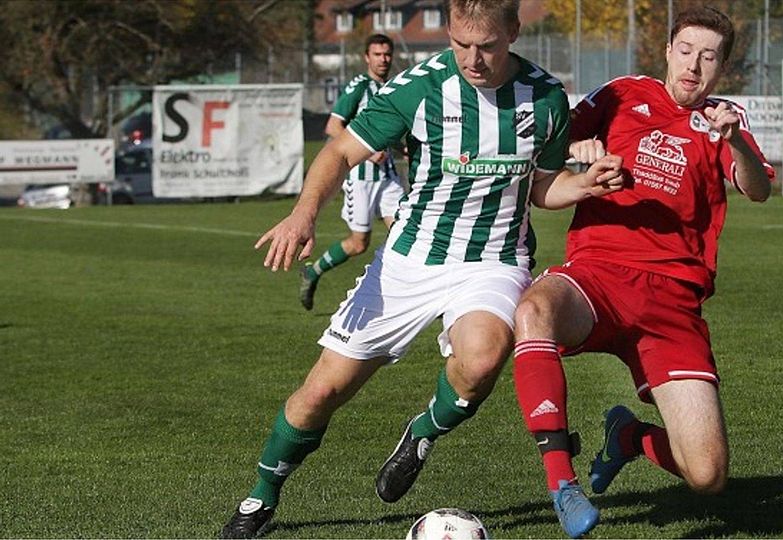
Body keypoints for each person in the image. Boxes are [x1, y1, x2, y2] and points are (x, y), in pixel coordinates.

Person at [219, 0, 623, 537]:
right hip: (410, 259)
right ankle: (262, 496)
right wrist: (303, 214)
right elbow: (339, 152)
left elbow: (544, 188)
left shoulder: (546, 96)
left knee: (481, 361)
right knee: (321, 394)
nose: (473, 59)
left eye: (487, 46)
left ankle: (422, 432)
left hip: (494, 259)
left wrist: (585, 183)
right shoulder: (420, 88)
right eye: (460, 44)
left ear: (514, 33)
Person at [511, 6, 775, 538]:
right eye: (686, 51)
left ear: (721, 67)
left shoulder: (723, 120)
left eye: (709, 57)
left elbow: (757, 187)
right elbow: (546, 148)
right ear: (667, 52)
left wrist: (737, 142)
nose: (695, 66)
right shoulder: (621, 94)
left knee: (708, 475)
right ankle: (562, 484)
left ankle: (627, 438)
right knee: (533, 309)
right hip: (598, 274)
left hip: (673, 304)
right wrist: (576, 149)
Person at [298, 33, 406, 311]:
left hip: (388, 178)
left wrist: (402, 148)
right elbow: (333, 128)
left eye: (387, 54)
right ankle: (314, 271)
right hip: (360, 179)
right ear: (366, 57)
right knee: (359, 244)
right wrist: (369, 152)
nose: (383, 59)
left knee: (405, 234)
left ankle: (402, 296)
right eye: (377, 54)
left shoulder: (396, 87)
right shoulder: (359, 86)